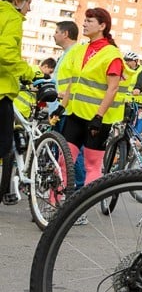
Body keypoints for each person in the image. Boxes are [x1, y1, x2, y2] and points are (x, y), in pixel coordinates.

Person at [59, 7, 127, 186]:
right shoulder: (80, 50)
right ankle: (55, 205)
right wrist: (62, 107)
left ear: (102, 26)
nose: (84, 24)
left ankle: (85, 207)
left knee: (92, 165)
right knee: (64, 161)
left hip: (96, 119)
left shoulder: (112, 54)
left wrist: (99, 116)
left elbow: (112, 89)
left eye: (90, 21)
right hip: (75, 114)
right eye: (85, 20)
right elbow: (74, 82)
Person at [0, 0, 43, 204]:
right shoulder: (11, 17)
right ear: (17, 0)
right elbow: (6, 55)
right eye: (28, 2)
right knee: (4, 145)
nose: (29, 8)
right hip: (2, 91)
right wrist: (29, 73)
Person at [50, 21, 86, 188]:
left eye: (56, 31)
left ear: (65, 34)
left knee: (71, 153)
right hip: (60, 109)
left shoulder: (77, 52)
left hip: (68, 109)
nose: (54, 34)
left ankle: (78, 189)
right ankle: (63, 188)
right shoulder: (66, 54)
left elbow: (75, 80)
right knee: (62, 153)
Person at [122, 52, 142, 134]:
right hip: (122, 99)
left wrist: (137, 88)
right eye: (126, 60)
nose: (127, 62)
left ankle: (129, 138)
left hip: (134, 101)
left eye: (129, 61)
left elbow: (141, 81)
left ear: (135, 61)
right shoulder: (124, 70)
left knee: (129, 123)